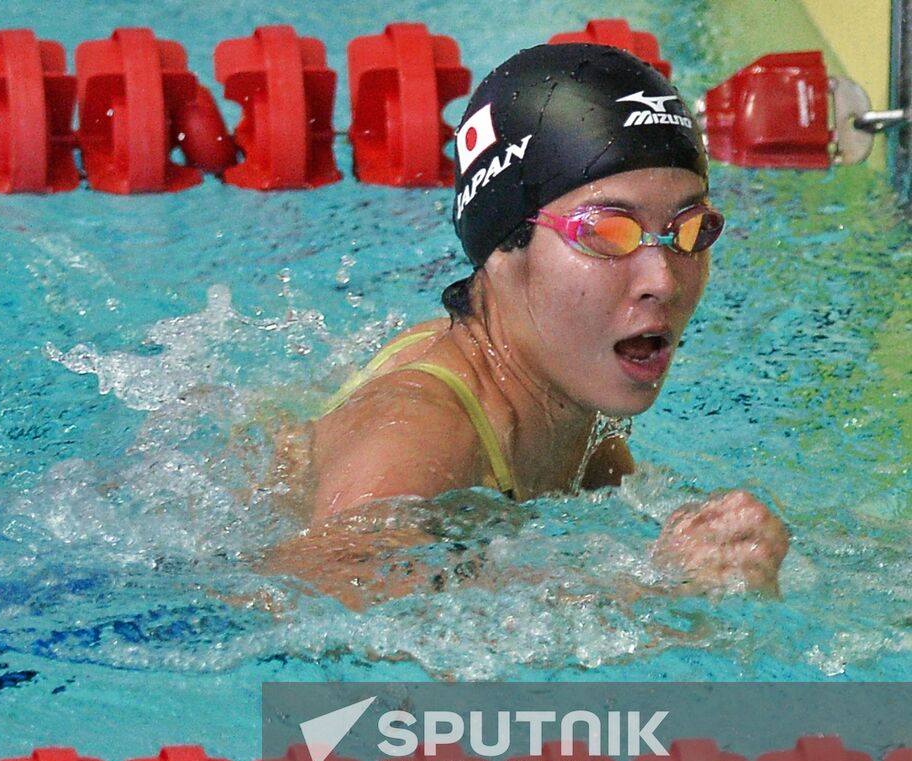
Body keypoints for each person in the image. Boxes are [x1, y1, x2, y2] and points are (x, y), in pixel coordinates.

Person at [264, 43, 789, 600]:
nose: (663, 278)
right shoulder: (421, 430)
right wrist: (650, 594)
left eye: (689, 230)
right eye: (607, 233)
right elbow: (305, 589)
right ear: (502, 247)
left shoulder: (570, 404)